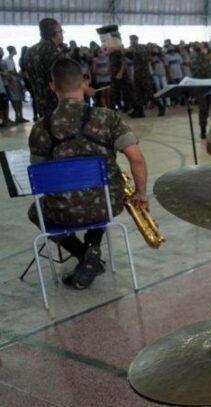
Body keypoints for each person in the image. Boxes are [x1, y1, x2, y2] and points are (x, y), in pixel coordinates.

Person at [27, 58, 148, 289]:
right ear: (85, 82)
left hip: (62, 211)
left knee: (36, 212)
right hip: (108, 204)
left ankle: (84, 254)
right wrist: (141, 193)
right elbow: (136, 158)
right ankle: (90, 251)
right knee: (104, 190)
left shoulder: (41, 128)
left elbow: (39, 176)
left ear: (53, 87)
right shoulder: (107, 118)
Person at [21, 18, 65, 118]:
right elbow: (63, 82)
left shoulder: (29, 52)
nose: (62, 34)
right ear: (55, 33)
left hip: (40, 103)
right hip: (57, 105)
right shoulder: (54, 53)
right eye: (61, 31)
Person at [189, 43, 211, 139]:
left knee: (203, 110)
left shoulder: (192, 61)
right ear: (203, 49)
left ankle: (203, 131)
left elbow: (194, 74)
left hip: (200, 88)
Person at [128, 35, 163, 118]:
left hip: (144, 74)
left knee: (149, 93)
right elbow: (128, 55)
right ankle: (140, 112)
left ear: (137, 40)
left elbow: (157, 50)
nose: (132, 41)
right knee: (138, 94)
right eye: (131, 39)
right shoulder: (131, 49)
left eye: (133, 39)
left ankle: (161, 107)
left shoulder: (141, 47)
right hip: (137, 74)